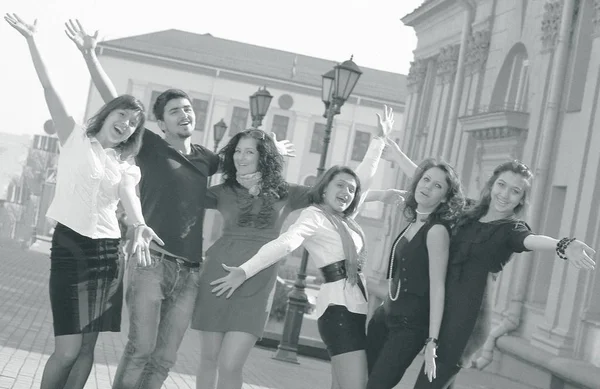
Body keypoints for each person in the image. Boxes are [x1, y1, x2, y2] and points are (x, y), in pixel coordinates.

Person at [64, 20, 295, 389]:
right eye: (175, 111)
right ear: (160, 122)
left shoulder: (207, 158)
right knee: (141, 349)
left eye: (187, 109)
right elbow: (117, 104)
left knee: (165, 358)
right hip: (150, 263)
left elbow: (243, 157)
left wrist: (271, 148)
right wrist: (91, 55)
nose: (184, 114)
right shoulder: (152, 147)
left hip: (190, 272)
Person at [4, 13, 162, 389]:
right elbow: (47, 86)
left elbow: (130, 198)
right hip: (71, 248)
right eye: (122, 115)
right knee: (67, 350)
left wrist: (139, 225)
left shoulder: (124, 163)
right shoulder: (74, 138)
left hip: (108, 254)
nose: (125, 124)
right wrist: (31, 40)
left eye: (133, 123)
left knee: (88, 349)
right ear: (108, 114)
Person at [194, 107, 395, 389]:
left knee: (230, 363)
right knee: (209, 359)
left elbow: (346, 189)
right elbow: (181, 189)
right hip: (218, 275)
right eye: (237, 151)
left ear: (264, 156)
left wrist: (377, 144)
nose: (241, 157)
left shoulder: (286, 192)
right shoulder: (222, 191)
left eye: (250, 151)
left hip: (257, 279)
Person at [384, 142, 596, 389]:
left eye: (515, 191)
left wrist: (562, 245)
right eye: (502, 185)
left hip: (466, 321)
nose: (505, 195)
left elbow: (531, 240)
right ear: (492, 184)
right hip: (437, 312)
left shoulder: (511, 229)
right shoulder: (468, 210)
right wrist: (398, 157)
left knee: (428, 385)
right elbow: (436, 185)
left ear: (521, 199)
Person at [365, 159, 464, 389]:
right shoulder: (413, 221)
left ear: (446, 198)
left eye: (438, 186)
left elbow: (438, 288)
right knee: (358, 381)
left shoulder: (437, 231)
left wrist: (432, 341)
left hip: (409, 328)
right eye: (426, 179)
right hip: (384, 319)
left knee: (376, 385)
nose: (427, 187)